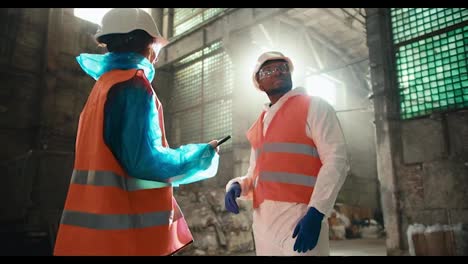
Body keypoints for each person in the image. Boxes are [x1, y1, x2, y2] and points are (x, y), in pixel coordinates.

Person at [54, 8, 220, 256]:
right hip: (124, 236)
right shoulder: (134, 85)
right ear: (145, 44)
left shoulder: (103, 86)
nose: (155, 55)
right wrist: (199, 156)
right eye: (155, 46)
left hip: (91, 234)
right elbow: (144, 162)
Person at [224, 51, 349, 256]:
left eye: (282, 68)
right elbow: (255, 175)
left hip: (301, 219)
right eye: (269, 70)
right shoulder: (261, 123)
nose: (278, 73)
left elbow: (337, 160)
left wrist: (317, 211)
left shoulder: (314, 106)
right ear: (259, 83)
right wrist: (237, 185)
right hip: (264, 226)